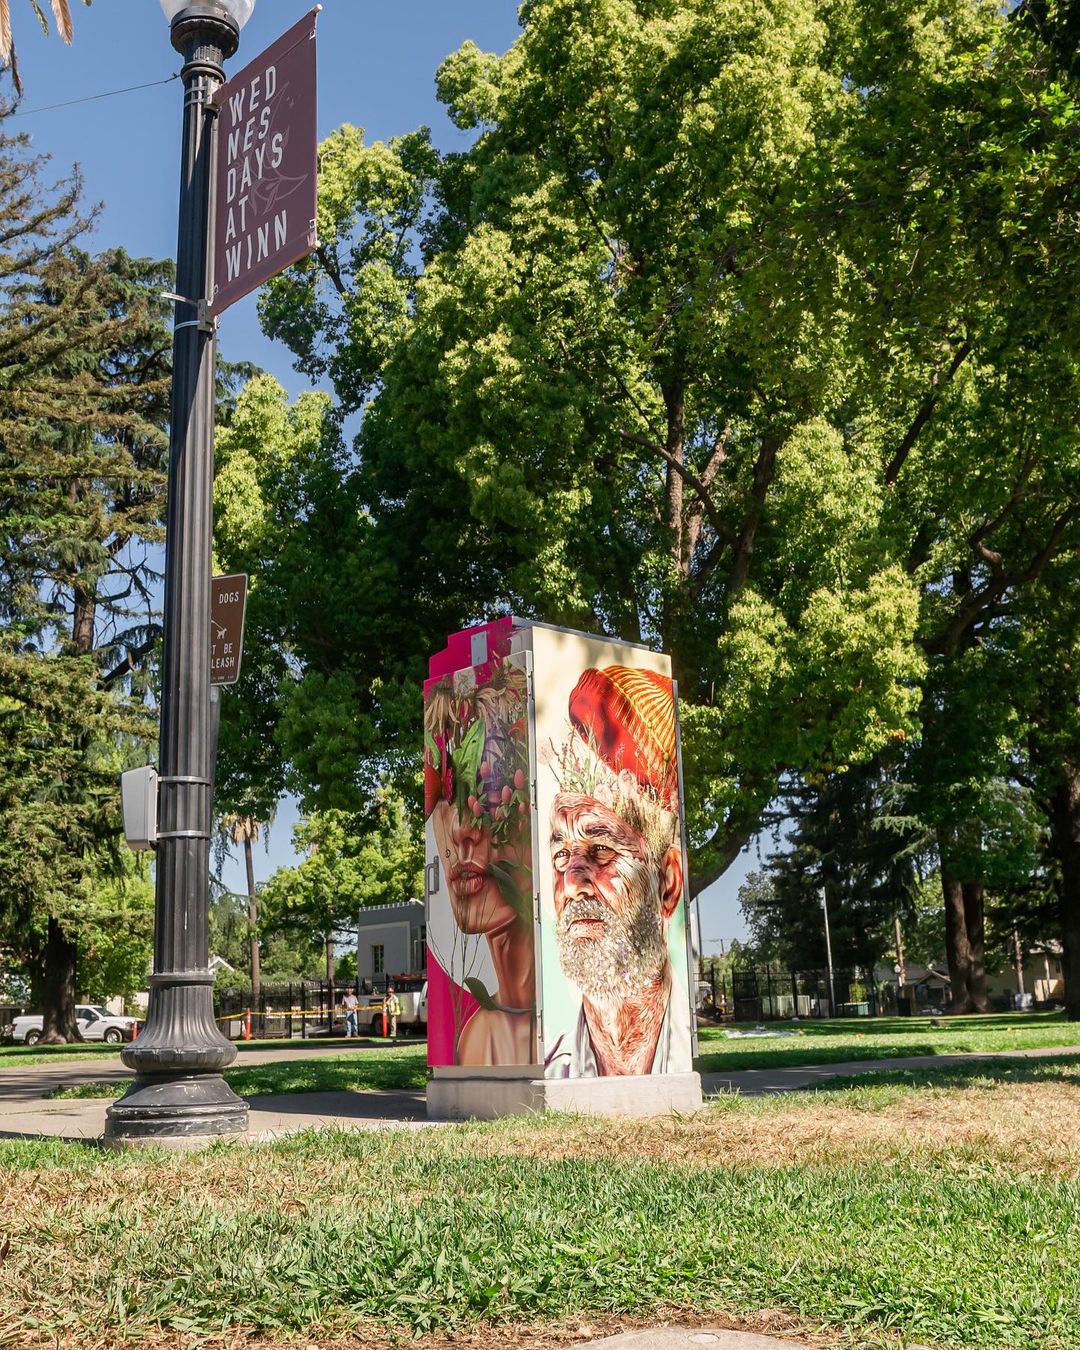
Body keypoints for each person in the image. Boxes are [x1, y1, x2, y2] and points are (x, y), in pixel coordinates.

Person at [546, 665, 688, 1078]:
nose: (572, 881)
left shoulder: (680, 1051)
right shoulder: (552, 1070)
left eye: (602, 850)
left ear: (667, 883)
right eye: (561, 854)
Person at [424, 657, 536, 1066]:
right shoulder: (474, 1041)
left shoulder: (583, 1031)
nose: (461, 830)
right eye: (445, 798)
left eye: (489, 793)